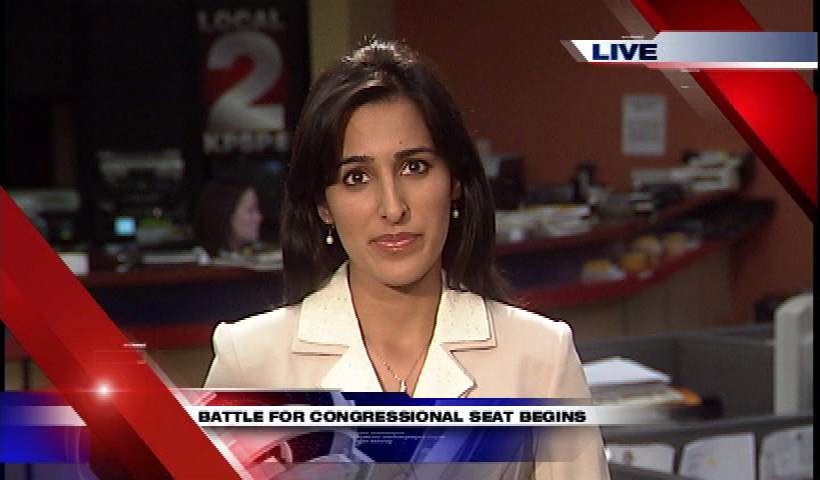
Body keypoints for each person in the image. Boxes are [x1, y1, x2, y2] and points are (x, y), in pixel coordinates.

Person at [205, 40, 609, 479]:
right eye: (356, 177)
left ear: (455, 181)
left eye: (414, 167)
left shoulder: (540, 355)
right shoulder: (251, 360)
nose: (393, 207)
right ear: (323, 205)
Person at [193, 181, 263, 257]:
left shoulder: (258, 256)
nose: (259, 217)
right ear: (225, 214)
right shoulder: (198, 260)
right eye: (250, 210)